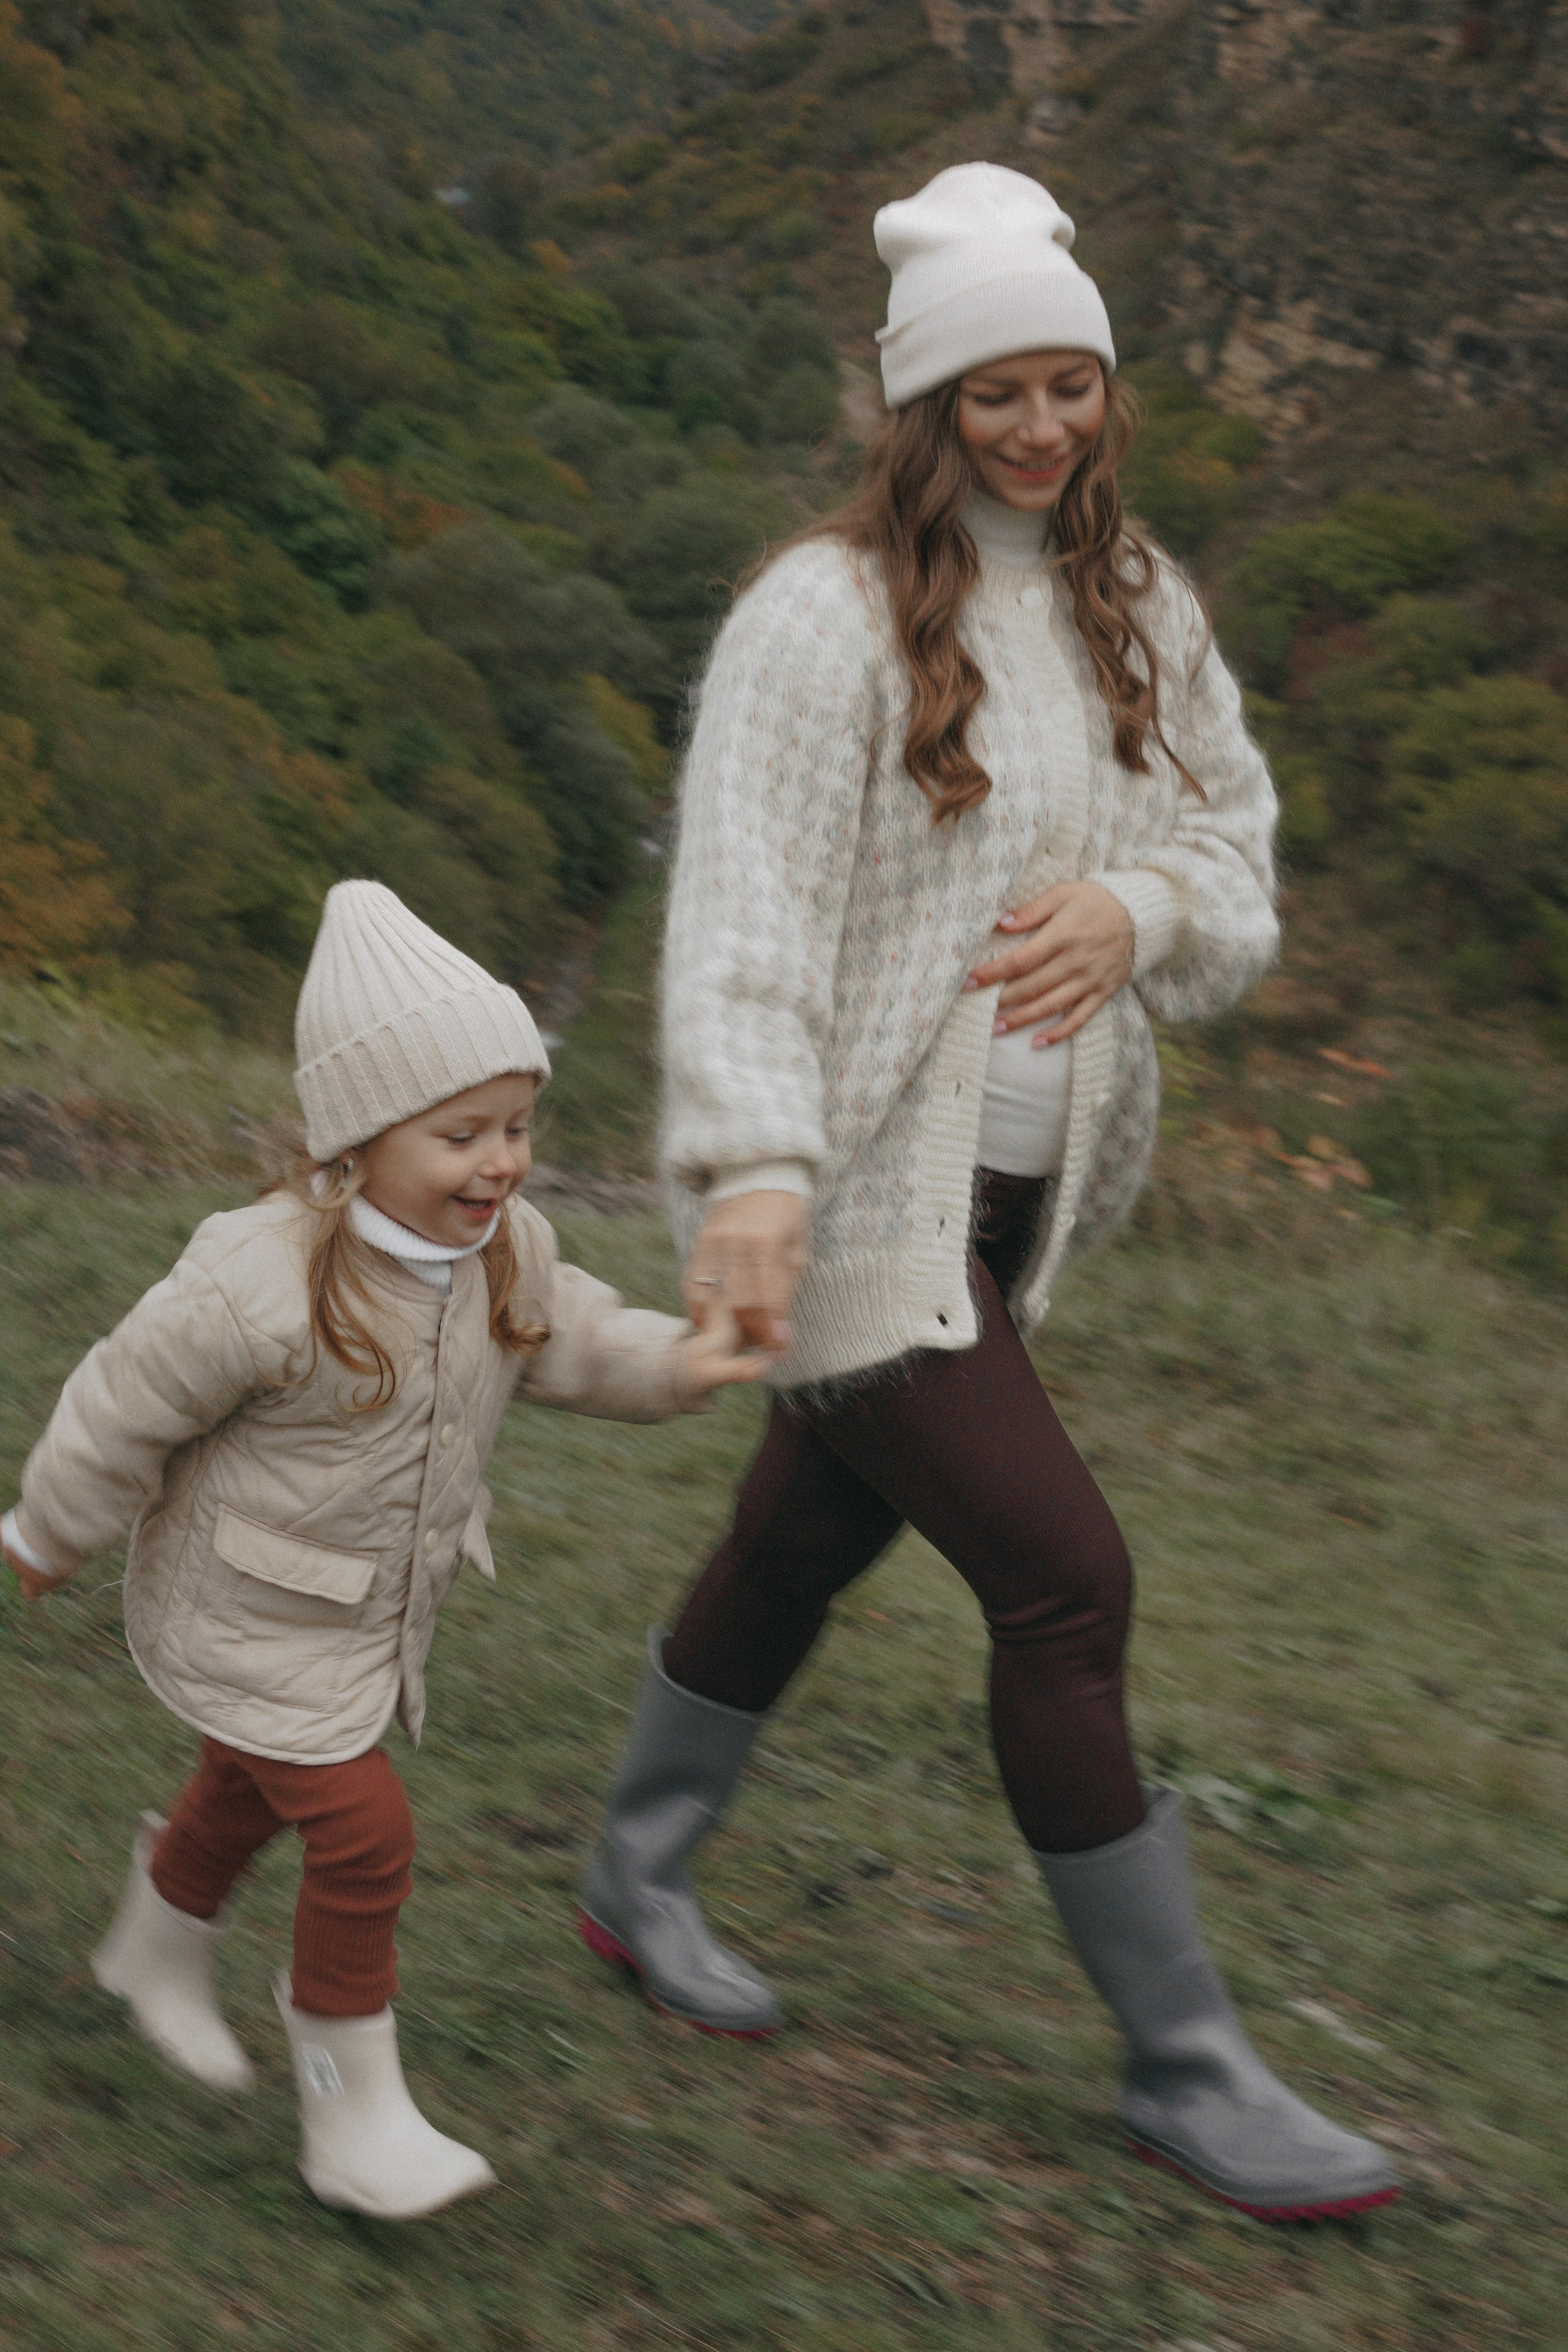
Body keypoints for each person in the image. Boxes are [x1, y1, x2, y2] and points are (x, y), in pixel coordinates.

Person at [577, 164, 1400, 2223]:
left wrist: (1139, 907)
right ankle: (1187, 2069)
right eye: (994, 394)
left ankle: (632, 1875)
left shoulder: (1140, 605)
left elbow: (1237, 874)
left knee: (802, 1535)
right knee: (1067, 1585)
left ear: (1106, 391)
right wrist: (753, 1173)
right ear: (920, 407)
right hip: (865, 1200)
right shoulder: (817, 619)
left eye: (1069, 385)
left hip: (1022, 1203)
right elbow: (741, 925)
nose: (1039, 427)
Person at [1, 881, 766, 2222]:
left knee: (247, 1784)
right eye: (461, 1134)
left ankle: (150, 1952)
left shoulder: (503, 1252)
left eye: (518, 1127)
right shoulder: (259, 1276)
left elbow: (575, 1336)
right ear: (357, 1140)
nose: (501, 1162)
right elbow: (122, 1404)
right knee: (363, 1836)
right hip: (242, 1606)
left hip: (356, 1619)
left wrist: (678, 1362)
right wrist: (43, 1532)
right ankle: (349, 2112)